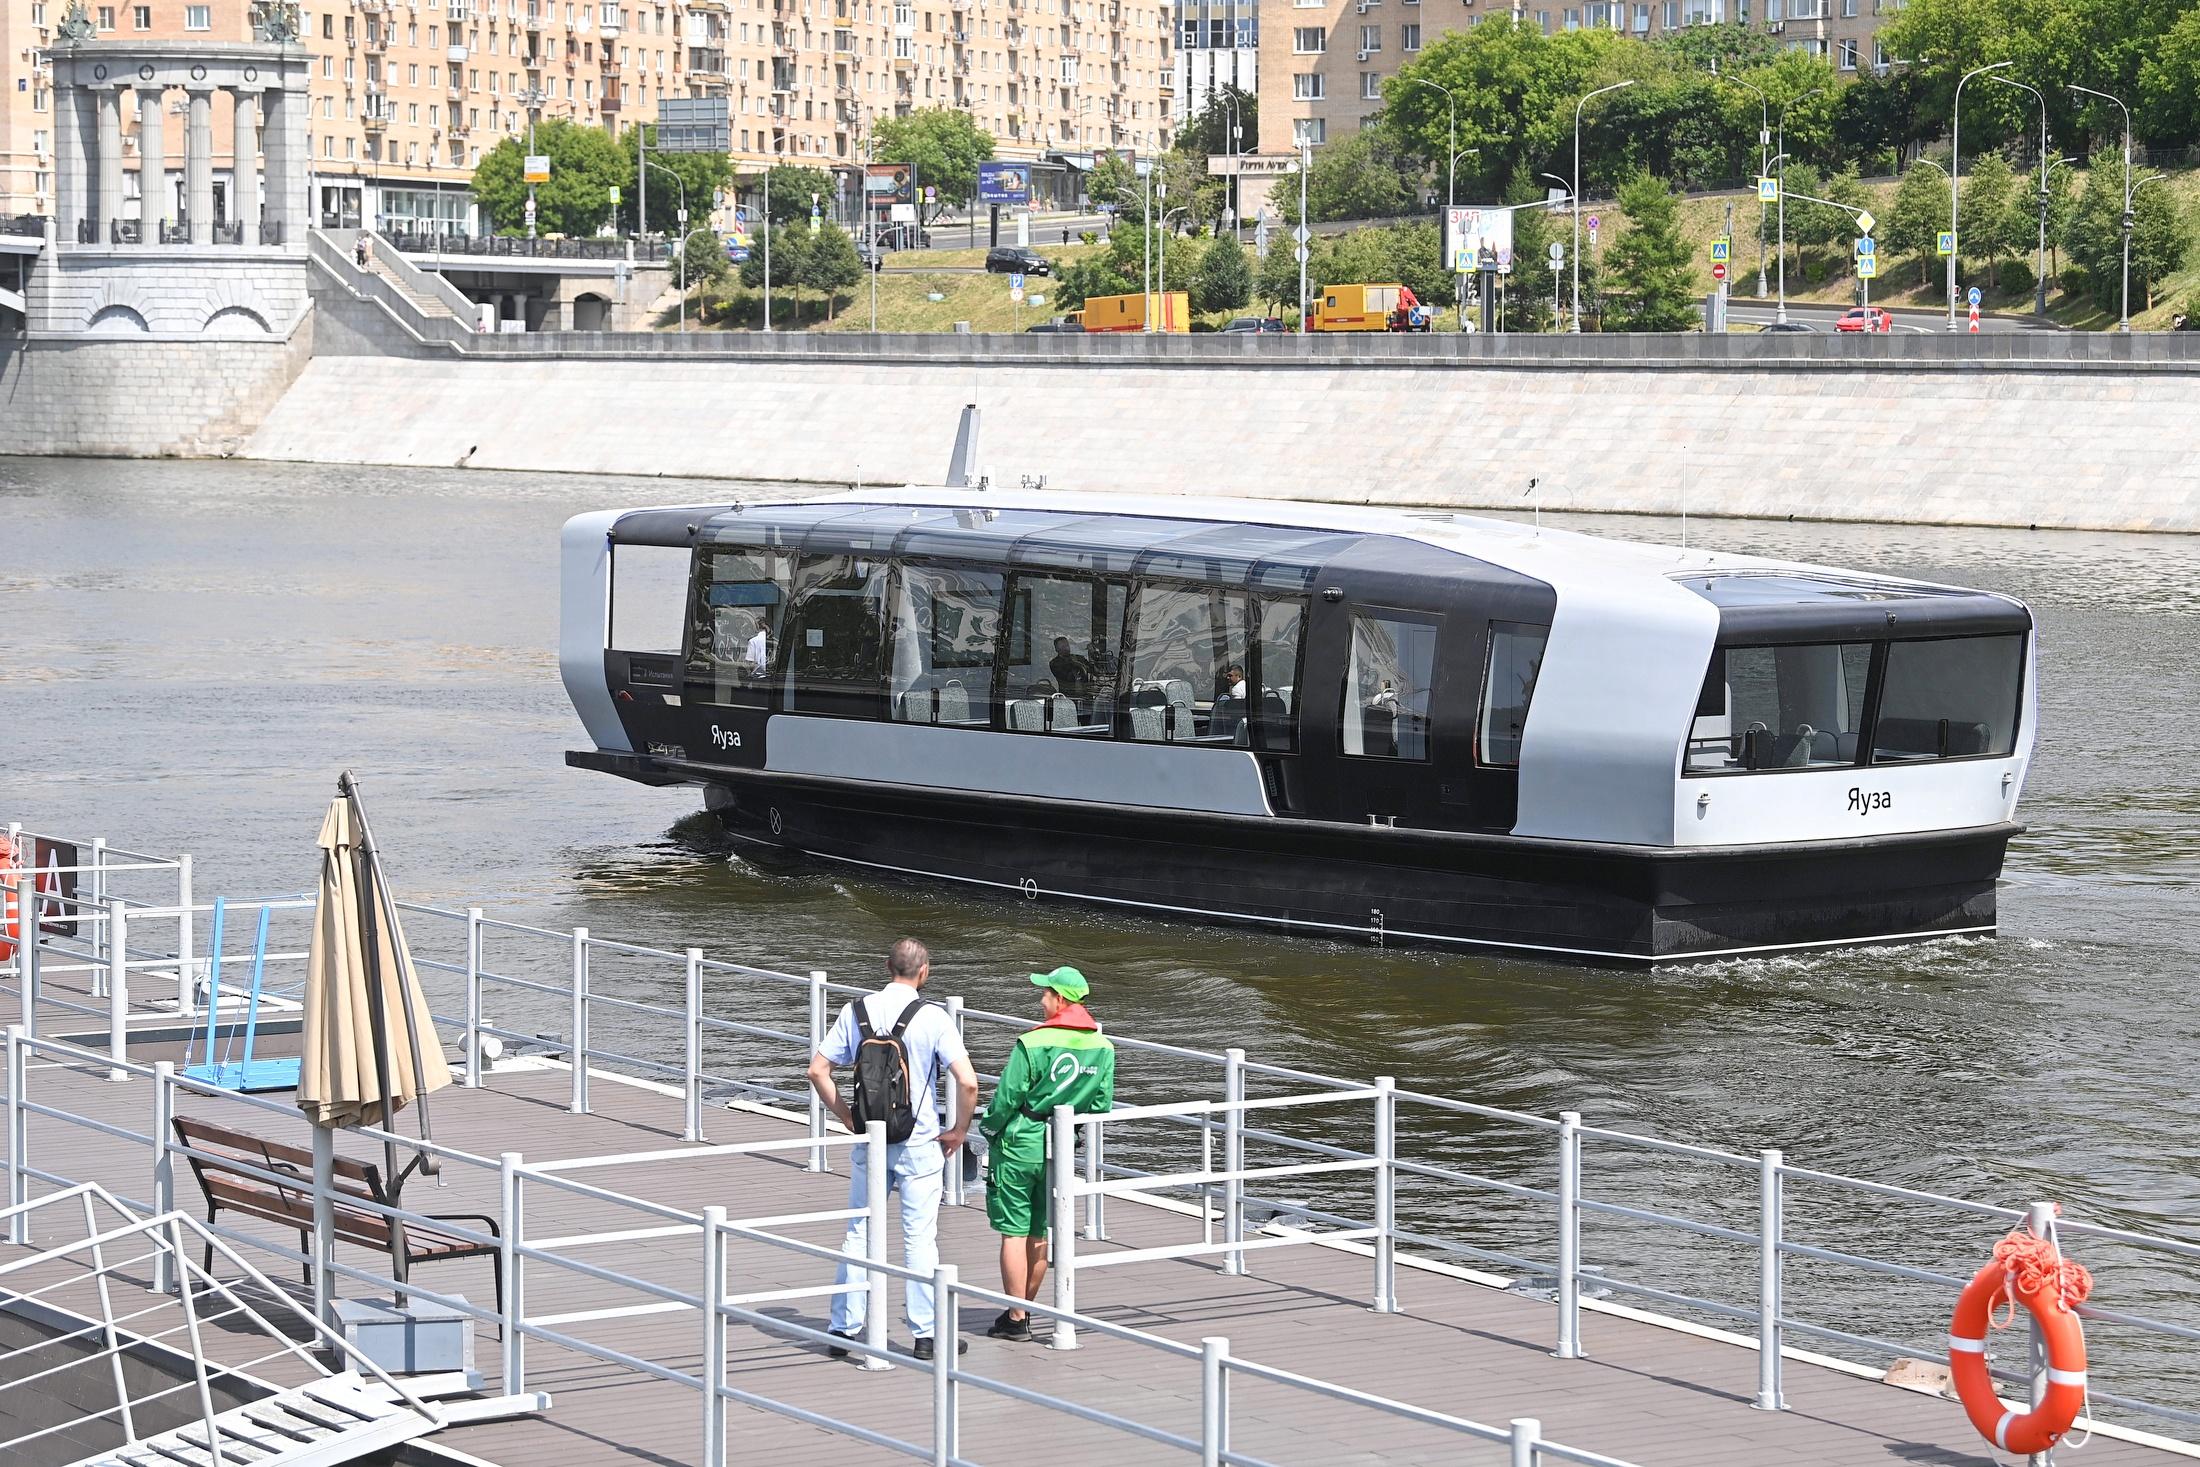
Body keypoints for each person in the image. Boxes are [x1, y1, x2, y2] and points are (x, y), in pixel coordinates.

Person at [806, 938, 978, 1363]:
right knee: (919, 1238)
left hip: (871, 1137)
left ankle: (843, 1329)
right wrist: (958, 1131)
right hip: (919, 1142)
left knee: (859, 1231)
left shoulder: (857, 1011)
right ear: (925, 971)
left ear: (887, 966)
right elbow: (968, 1082)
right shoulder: (933, 1017)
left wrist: (848, 1116)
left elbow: (817, 1070)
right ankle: (926, 1335)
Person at [978, 966, 1115, 1342]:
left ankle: (1017, 1316)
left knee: (1012, 1231)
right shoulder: (1103, 1047)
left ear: (1061, 999)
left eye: (1046, 993)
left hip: (1020, 1142)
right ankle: (1021, 1313)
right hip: (1060, 1147)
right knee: (1040, 1232)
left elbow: (1006, 1098)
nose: (1041, 1000)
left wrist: (988, 1129)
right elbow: (1101, 1104)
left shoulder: (1032, 1043)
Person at [1048, 636, 1094, 703]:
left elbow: (1093, 670)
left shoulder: (1079, 658)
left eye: (1067, 645)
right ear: (1056, 649)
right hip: (1067, 696)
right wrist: (1076, 664)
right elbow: (1067, 678)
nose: (1066, 648)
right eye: (1062, 646)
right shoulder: (1055, 663)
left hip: (1085, 695)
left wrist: (1092, 653)